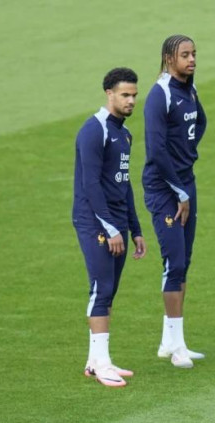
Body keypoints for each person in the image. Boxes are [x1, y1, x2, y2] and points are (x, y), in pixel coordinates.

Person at [72, 67, 147, 387]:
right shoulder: (94, 130)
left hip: (115, 221)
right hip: (95, 221)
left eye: (134, 95)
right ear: (109, 94)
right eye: (125, 95)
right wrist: (111, 228)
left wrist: (135, 229)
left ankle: (95, 362)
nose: (131, 101)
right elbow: (90, 184)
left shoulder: (124, 134)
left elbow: (123, 184)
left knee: (109, 290)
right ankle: (102, 364)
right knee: (100, 289)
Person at [142, 34, 208, 369]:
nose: (192, 59)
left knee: (184, 262)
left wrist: (187, 155)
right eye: (185, 54)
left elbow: (201, 122)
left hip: (185, 184)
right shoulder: (160, 95)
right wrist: (179, 190)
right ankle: (177, 345)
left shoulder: (189, 89)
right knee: (174, 263)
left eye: (194, 53)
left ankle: (170, 342)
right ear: (169, 59)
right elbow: (155, 151)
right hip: (165, 189)